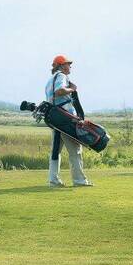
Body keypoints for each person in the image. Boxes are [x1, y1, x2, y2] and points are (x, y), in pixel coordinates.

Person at [45, 55, 92, 187]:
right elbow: (59, 91)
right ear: (61, 65)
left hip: (55, 120)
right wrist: (72, 89)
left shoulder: (49, 80)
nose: (70, 66)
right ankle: (79, 181)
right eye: (68, 64)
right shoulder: (62, 77)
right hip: (65, 119)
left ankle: (53, 180)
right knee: (75, 150)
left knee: (55, 152)